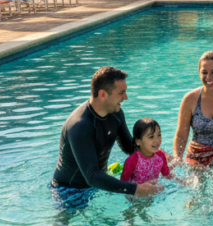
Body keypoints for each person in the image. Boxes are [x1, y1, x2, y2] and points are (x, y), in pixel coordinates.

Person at [51, 66, 160, 203]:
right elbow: (91, 176)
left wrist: (156, 153)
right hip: (69, 190)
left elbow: (129, 147)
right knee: (63, 224)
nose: (126, 97)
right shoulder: (80, 125)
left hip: (99, 184)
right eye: (121, 93)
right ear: (102, 94)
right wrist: (135, 189)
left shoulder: (116, 114)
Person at [121, 118, 175, 184]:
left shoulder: (160, 156)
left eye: (159, 135)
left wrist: (183, 182)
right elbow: (122, 185)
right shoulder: (132, 161)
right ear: (138, 141)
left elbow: (166, 175)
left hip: (154, 191)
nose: (157, 140)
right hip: (138, 193)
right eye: (151, 137)